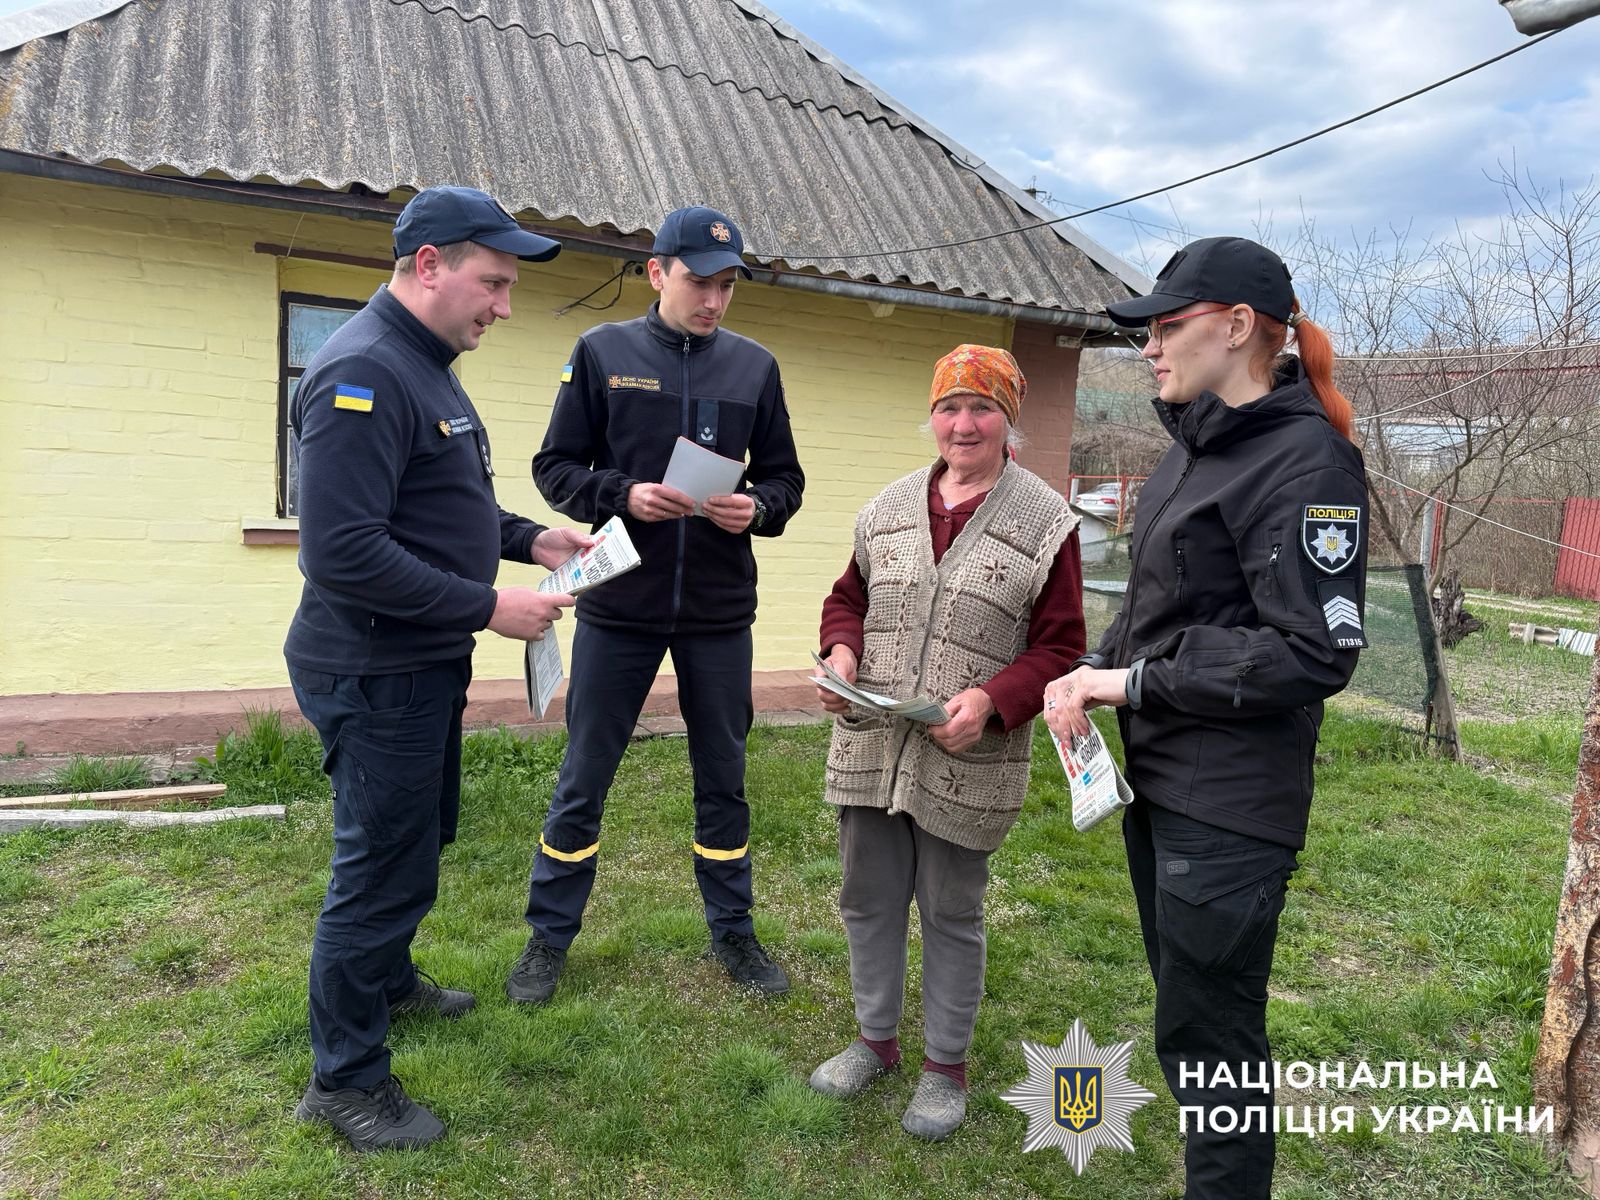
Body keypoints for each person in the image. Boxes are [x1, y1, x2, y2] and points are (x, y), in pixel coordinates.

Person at [1043, 237, 1368, 1199]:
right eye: (1146, 327)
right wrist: (1091, 673)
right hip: (1163, 780)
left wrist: (1132, 685)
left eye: (1167, 323)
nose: (1148, 344)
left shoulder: (1308, 464)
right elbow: (1166, 608)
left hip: (1228, 806)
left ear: (1236, 328)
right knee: (1189, 1018)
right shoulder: (1194, 447)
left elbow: (1315, 652)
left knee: (1212, 1038)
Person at [285, 186, 593, 1152]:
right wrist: (487, 607)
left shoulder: (426, 363)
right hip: (375, 670)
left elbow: (438, 507)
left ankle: (385, 981)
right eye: (492, 283)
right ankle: (345, 1081)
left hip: (418, 664)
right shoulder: (362, 374)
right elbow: (340, 552)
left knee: (417, 843)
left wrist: (529, 539)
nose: (504, 305)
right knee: (377, 871)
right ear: (428, 266)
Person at [507, 205, 805, 1005]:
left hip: (717, 613)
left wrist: (760, 508)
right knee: (584, 774)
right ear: (656, 272)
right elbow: (555, 466)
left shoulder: (754, 368)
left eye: (727, 285)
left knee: (725, 777)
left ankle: (734, 934)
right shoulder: (601, 353)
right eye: (699, 283)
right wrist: (621, 494)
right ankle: (548, 939)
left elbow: (785, 479)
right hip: (620, 606)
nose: (714, 300)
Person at [807, 346, 1085, 1141]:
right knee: (867, 899)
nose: (963, 424)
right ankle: (874, 1042)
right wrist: (841, 653)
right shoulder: (890, 506)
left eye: (982, 407)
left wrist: (995, 701)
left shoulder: (1044, 521)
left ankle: (944, 1068)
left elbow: (1062, 648)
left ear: (1009, 418)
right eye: (949, 407)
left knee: (951, 912)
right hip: (872, 744)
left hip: (969, 758)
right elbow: (847, 595)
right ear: (931, 416)